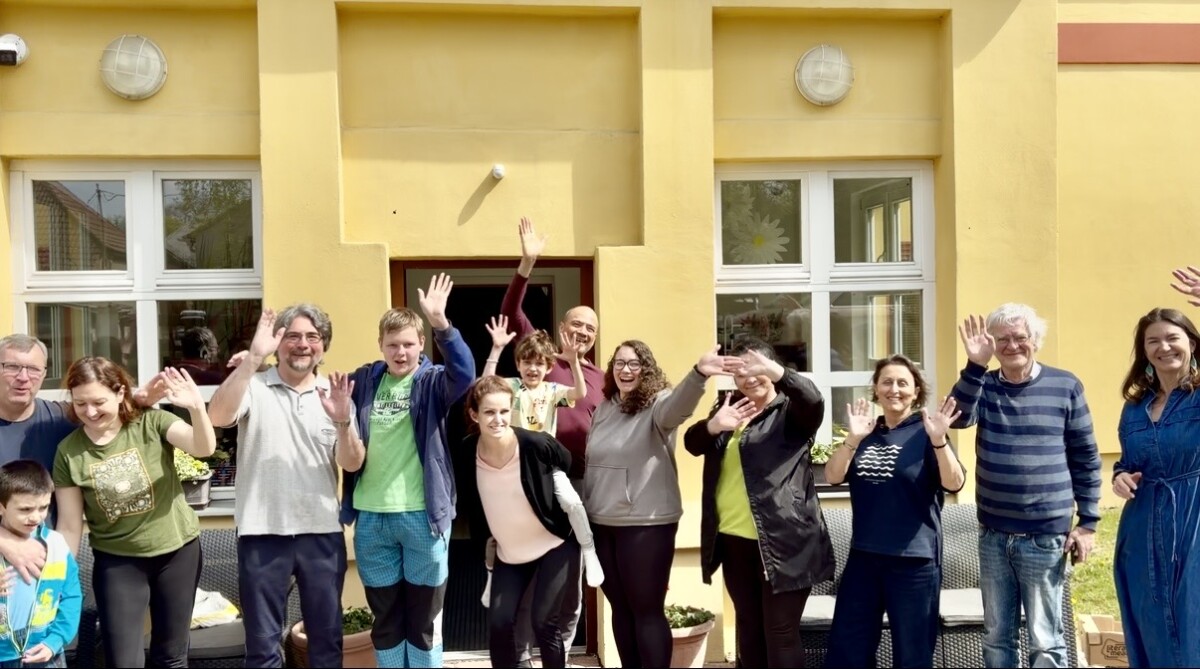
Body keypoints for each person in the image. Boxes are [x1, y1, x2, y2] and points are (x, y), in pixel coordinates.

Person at [952, 304, 1102, 668]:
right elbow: (957, 417)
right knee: (996, 638)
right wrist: (974, 365)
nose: (1012, 345)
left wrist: (1087, 523)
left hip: (1045, 536)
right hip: (994, 535)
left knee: (1046, 639)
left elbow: (1085, 456)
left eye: (1020, 337)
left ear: (1035, 339)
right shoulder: (984, 384)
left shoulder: (1065, 385)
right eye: (1002, 339)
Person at [337, 274, 475, 669]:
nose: (401, 352)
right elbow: (316, 385)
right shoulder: (364, 381)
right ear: (380, 345)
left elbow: (465, 373)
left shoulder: (433, 383)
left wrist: (441, 323)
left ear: (421, 345)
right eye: (393, 344)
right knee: (386, 621)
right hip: (372, 519)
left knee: (423, 621)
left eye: (409, 344)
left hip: (421, 517)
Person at [208, 305, 353, 668]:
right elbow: (218, 416)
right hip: (262, 532)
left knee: (326, 643)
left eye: (312, 337)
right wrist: (252, 359)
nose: (302, 344)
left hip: (321, 532)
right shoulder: (253, 385)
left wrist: (343, 422)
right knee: (262, 647)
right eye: (293, 336)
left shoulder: (334, 393)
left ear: (323, 345)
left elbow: (351, 463)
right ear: (278, 343)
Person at [584, 340, 740, 668]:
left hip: (646, 523)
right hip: (602, 523)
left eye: (634, 363)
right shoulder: (605, 407)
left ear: (647, 369)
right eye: (619, 363)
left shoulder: (658, 404)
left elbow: (678, 407)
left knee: (646, 610)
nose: (626, 370)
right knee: (620, 608)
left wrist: (698, 374)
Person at [682, 336, 833, 668]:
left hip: (785, 541)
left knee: (780, 632)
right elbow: (692, 444)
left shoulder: (791, 412)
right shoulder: (730, 408)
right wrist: (713, 425)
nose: (748, 379)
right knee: (748, 629)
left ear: (772, 368)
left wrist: (779, 372)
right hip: (734, 539)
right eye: (740, 373)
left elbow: (814, 400)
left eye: (756, 370)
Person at [53, 359, 213, 669]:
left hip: (177, 553)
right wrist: (58, 575)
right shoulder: (69, 452)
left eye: (98, 402)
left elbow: (202, 447)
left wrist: (196, 407)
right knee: (122, 660)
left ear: (120, 393)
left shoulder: (151, 423)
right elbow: (70, 525)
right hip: (118, 562)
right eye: (80, 403)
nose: (90, 411)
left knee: (171, 656)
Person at [499, 217, 604, 660]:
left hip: (578, 484)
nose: (582, 333)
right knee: (529, 567)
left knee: (568, 580)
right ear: (562, 326)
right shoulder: (540, 360)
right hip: (530, 482)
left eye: (590, 329)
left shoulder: (601, 378)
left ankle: (558, 651)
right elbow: (511, 311)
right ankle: (522, 652)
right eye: (576, 325)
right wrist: (527, 263)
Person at [823, 355, 967, 668]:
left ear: (916, 392)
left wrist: (939, 441)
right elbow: (832, 476)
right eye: (887, 382)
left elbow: (954, 483)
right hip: (864, 558)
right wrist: (852, 439)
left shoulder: (927, 432)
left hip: (914, 562)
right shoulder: (865, 433)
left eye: (903, 383)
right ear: (876, 389)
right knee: (848, 651)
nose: (895, 389)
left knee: (912, 655)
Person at [0, 335, 165, 581]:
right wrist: (7, 543)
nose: (23, 377)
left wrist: (137, 401)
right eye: (12, 367)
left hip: (42, 567)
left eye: (33, 369)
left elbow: (106, 417)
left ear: (44, 374)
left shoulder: (61, 421)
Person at [478, 319, 603, 607]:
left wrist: (573, 362)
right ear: (518, 364)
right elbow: (484, 387)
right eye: (527, 362)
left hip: (547, 467)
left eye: (539, 363)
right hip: (514, 469)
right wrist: (496, 350)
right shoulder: (511, 387)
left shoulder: (552, 390)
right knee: (497, 526)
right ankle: (490, 577)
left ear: (548, 367)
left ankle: (589, 552)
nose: (532, 368)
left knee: (572, 503)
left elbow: (579, 393)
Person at [1112, 266, 1200, 667]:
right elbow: (1128, 463)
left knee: (1191, 617)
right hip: (1143, 523)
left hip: (1193, 517)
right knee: (1149, 618)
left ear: (1191, 344)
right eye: (1153, 341)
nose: (1164, 347)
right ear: (1144, 351)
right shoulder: (1134, 409)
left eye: (1173, 338)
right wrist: (1120, 477)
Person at [465, 375, 583, 668]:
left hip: (555, 544)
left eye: (504, 411)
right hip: (510, 553)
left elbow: (566, 461)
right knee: (500, 622)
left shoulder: (534, 444)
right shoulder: (467, 451)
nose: (498, 419)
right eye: (489, 412)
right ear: (474, 415)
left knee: (544, 622)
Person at [0, 459, 82, 669]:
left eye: (43, 507)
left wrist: (55, 640)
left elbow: (71, 597)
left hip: (45, 653)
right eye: (25, 509)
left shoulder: (57, 545)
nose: (36, 517)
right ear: (1, 507)